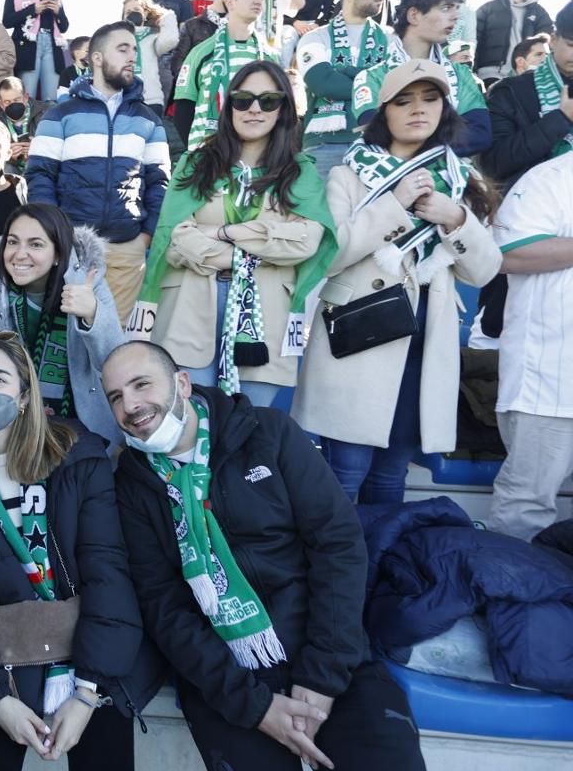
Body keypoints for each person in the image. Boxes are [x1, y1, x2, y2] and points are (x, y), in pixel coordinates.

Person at [105, 340, 435, 771]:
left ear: (181, 382)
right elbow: (165, 607)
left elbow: (337, 545)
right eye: (116, 397)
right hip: (230, 685)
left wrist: (322, 676)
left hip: (328, 660)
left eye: (142, 385)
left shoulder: (268, 433)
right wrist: (254, 705)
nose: (131, 405)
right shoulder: (132, 484)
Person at [0, 329, 158, 771]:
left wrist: (85, 695)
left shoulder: (79, 458)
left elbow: (107, 573)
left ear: (22, 398)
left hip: (93, 656)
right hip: (4, 662)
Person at [292, 60, 502, 504]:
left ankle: (380, 571)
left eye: (430, 99)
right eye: (403, 101)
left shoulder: (460, 178)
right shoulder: (348, 173)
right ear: (382, 112)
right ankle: (340, 574)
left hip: (424, 348)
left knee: (390, 479)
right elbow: (328, 257)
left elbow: (482, 271)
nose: (418, 110)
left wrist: (456, 219)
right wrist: (395, 204)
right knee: (344, 476)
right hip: (361, 339)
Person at [132, 61, 336, 409]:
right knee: (191, 425)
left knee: (250, 432)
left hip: (264, 320)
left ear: (283, 108)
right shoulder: (196, 164)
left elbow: (305, 240)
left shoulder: (300, 172)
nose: (254, 108)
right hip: (188, 311)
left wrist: (224, 232)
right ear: (229, 107)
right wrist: (251, 252)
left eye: (268, 100)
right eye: (243, 100)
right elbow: (175, 238)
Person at [27, 21, 170, 327]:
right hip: (72, 250)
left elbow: (159, 182)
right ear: (96, 58)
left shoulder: (149, 120)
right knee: (66, 346)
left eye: (134, 49)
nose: (132, 56)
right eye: (123, 49)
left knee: (113, 347)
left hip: (127, 251)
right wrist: (58, 237)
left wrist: (143, 238)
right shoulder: (59, 114)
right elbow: (39, 176)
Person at [0, 204, 125, 447]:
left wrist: (93, 314)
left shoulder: (87, 281)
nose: (19, 254)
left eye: (35, 244)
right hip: (17, 412)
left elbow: (115, 361)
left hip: (80, 416)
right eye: (13, 242)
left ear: (58, 254)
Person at [487, 152, 573, 540]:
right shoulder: (550, 178)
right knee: (526, 506)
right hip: (551, 382)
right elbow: (507, 254)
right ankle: (512, 599)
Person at [351, 0, 491, 158]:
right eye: (446, 8)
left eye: (457, 8)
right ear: (414, 15)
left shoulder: (461, 74)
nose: (455, 16)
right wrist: (444, 140)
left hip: (455, 182)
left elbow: (480, 135)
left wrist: (411, 142)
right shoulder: (371, 77)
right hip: (394, 181)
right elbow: (379, 135)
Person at [297, 0, 392, 181]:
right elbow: (324, 84)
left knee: (375, 213)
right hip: (324, 146)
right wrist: (372, 80)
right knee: (322, 214)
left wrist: (347, 73)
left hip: (377, 144)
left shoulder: (391, 39)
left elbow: (395, 88)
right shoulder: (314, 37)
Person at [173, 0, 281, 153]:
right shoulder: (202, 52)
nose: (258, 1)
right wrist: (199, 155)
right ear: (230, 2)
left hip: (257, 161)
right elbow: (183, 110)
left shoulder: (270, 56)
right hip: (209, 157)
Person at [480, 0, 573, 192]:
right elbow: (494, 163)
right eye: (572, 44)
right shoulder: (510, 90)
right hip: (533, 206)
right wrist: (560, 119)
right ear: (554, 40)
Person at [474, 0, 553, 86]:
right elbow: (475, 40)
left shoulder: (538, 12)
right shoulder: (488, 8)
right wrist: (473, 70)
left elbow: (548, 42)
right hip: (490, 74)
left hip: (525, 74)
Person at [2, 0, 69, 103]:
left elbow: (64, 27)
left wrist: (58, 12)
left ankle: (49, 122)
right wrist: (32, 9)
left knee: (51, 98)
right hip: (28, 45)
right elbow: (7, 21)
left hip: (51, 44)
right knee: (27, 95)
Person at [170, 0, 232, 87]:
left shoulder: (239, 27)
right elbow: (178, 63)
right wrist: (195, 87)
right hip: (196, 96)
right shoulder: (191, 26)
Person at [122, 0, 179, 116]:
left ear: (145, 14)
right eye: (128, 12)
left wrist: (166, 17)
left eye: (137, 10)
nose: (133, 13)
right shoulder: (117, 40)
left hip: (151, 99)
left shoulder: (152, 37)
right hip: (124, 99)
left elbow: (170, 40)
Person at [0, 76, 47, 174]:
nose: (13, 105)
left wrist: (37, 149)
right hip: (14, 169)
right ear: (0, 104)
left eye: (17, 100)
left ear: (25, 98)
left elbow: (58, 147)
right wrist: (8, 154)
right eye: (7, 102)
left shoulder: (45, 113)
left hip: (41, 166)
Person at [56, 35, 89, 101]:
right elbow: (62, 95)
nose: (92, 54)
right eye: (88, 51)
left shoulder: (95, 72)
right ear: (77, 53)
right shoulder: (67, 73)